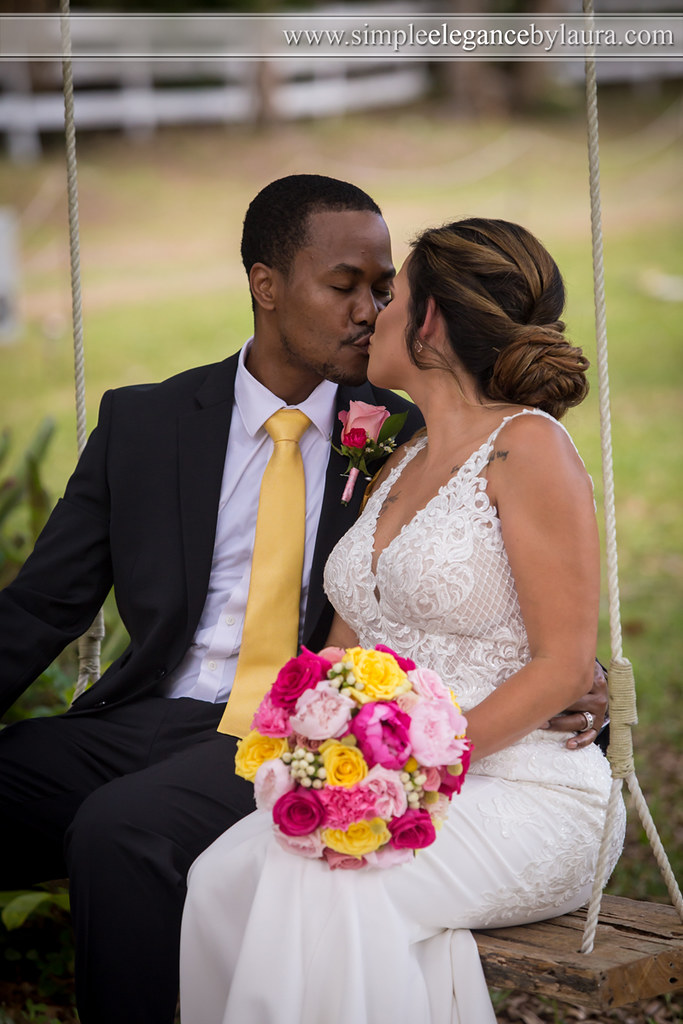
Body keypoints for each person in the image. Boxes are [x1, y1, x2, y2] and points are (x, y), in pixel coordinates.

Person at [0, 177, 603, 1024]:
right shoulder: (149, 423)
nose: (369, 309)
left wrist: (576, 675)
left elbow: (517, 609)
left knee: (122, 832)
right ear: (266, 285)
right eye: (345, 285)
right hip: (162, 713)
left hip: (297, 740)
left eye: (385, 290)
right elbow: (37, 608)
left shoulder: (403, 425)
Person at [179, 217, 626, 1024]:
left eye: (392, 296)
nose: (371, 312)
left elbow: (563, 665)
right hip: (394, 783)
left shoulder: (528, 450)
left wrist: (416, 773)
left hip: (526, 790)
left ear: (427, 324)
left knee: (329, 891)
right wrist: (322, 743)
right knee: (219, 879)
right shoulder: (400, 460)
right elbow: (346, 651)